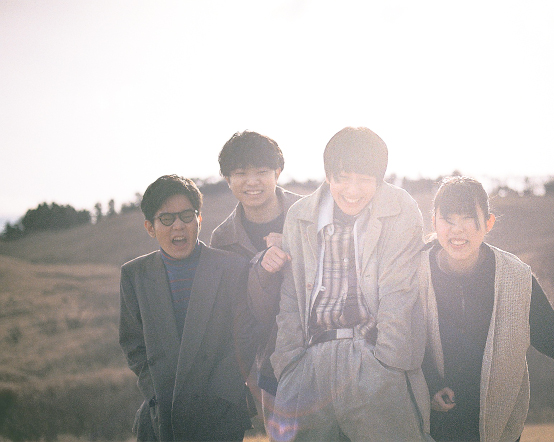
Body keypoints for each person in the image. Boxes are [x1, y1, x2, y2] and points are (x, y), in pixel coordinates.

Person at [421, 176, 554, 442]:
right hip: (431, 420)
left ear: (488, 223)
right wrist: (431, 385)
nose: (457, 230)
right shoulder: (415, 272)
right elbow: (401, 336)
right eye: (448, 220)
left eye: (468, 219)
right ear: (434, 222)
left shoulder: (515, 277)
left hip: (497, 420)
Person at [270, 126, 430, 441]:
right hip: (309, 363)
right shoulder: (300, 215)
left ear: (379, 179)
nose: (352, 191)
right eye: (343, 178)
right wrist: (289, 363)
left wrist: (389, 362)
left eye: (364, 180)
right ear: (328, 176)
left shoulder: (400, 207)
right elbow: (290, 297)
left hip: (373, 358)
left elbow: (399, 292)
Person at [119, 174, 257, 441]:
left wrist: (222, 394)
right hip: (162, 413)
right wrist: (157, 392)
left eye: (186, 215)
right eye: (166, 219)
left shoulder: (232, 267)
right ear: (150, 227)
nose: (178, 226)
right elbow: (132, 344)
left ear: (199, 219)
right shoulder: (134, 275)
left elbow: (245, 336)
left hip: (220, 413)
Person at [210, 130, 301, 436]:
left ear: (278, 172)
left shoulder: (308, 214)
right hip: (269, 367)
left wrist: (291, 246)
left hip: (321, 349)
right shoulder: (223, 240)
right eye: (240, 173)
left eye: (261, 171)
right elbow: (234, 314)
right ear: (227, 179)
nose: (252, 182)